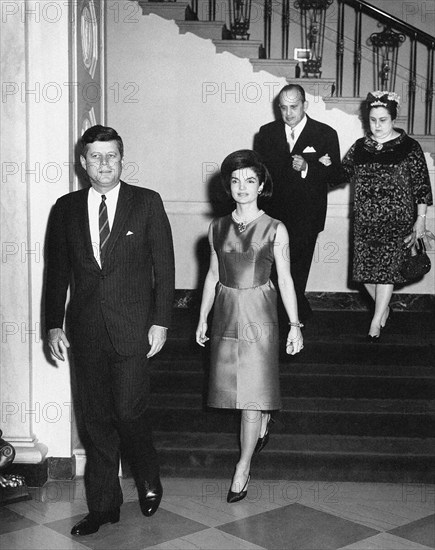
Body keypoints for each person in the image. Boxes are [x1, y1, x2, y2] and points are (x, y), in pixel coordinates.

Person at [45, 125, 175, 535]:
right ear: (83, 163)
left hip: (134, 328)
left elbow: (165, 267)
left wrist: (161, 321)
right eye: (95, 157)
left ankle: (147, 475)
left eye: (112, 156)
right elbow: (57, 272)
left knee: (129, 411)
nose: (104, 164)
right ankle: (103, 506)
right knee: (96, 418)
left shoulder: (147, 203)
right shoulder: (65, 208)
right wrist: (52, 324)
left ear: (122, 158)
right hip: (85, 331)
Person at [196, 150, 304, 503]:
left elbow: (285, 280)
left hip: (260, 312)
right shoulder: (217, 227)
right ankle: (262, 422)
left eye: (250, 181)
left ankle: (242, 467)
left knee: (251, 401)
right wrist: (202, 317)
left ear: (261, 185)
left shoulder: (276, 228)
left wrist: (295, 325)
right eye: (236, 181)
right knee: (234, 389)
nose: (243, 187)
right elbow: (212, 275)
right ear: (228, 186)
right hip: (226, 310)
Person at [342, 91, 433, 340]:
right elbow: (341, 174)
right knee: (365, 274)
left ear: (393, 119)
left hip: (397, 221)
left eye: (383, 120)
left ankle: (376, 321)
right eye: (372, 120)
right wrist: (314, 167)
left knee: (386, 271)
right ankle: (384, 308)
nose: (377, 126)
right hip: (365, 220)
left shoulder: (409, 147)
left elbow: (422, 186)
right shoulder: (361, 147)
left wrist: (421, 220)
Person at [255, 84, 342, 323]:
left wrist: (308, 167)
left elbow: (337, 176)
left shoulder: (325, 133)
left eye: (293, 107)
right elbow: (261, 174)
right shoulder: (266, 133)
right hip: (272, 215)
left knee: (298, 270)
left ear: (305, 104)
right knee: (271, 270)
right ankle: (281, 319)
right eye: (283, 108)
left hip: (307, 216)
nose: (288, 113)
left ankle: (291, 320)